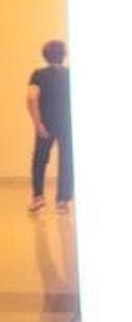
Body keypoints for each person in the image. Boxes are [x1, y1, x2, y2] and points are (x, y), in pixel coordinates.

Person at [26, 40, 71, 213]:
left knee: (39, 160)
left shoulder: (39, 75)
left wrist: (37, 123)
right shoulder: (69, 74)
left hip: (46, 123)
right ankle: (62, 201)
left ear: (45, 55)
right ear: (63, 55)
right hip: (67, 124)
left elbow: (31, 98)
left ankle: (38, 198)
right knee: (67, 160)